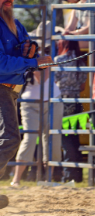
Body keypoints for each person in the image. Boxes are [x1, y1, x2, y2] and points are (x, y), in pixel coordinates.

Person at [0, 0, 53, 208]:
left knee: (9, 138)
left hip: (11, 88)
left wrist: (31, 50)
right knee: (11, 137)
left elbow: (24, 50)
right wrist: (33, 62)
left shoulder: (16, 24)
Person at [12, 22, 64, 185]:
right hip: (31, 101)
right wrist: (35, 61)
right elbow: (40, 78)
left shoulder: (50, 54)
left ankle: (48, 178)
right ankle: (16, 179)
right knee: (30, 137)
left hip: (51, 99)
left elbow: (46, 78)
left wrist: (40, 61)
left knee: (51, 138)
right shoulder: (25, 53)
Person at [53, 38, 88, 182]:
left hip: (63, 100)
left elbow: (54, 82)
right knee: (74, 138)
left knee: (65, 138)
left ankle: (68, 173)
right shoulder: (81, 61)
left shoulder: (60, 59)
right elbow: (82, 86)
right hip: (76, 101)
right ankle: (77, 174)